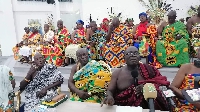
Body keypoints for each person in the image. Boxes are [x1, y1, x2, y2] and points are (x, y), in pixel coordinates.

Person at [102, 46, 169, 110]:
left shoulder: (150, 70)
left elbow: (161, 83)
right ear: (124, 58)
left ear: (139, 57)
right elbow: (110, 91)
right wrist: (109, 97)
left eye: (135, 53)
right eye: (129, 53)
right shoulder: (117, 73)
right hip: (124, 109)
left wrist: (146, 87)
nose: (132, 55)